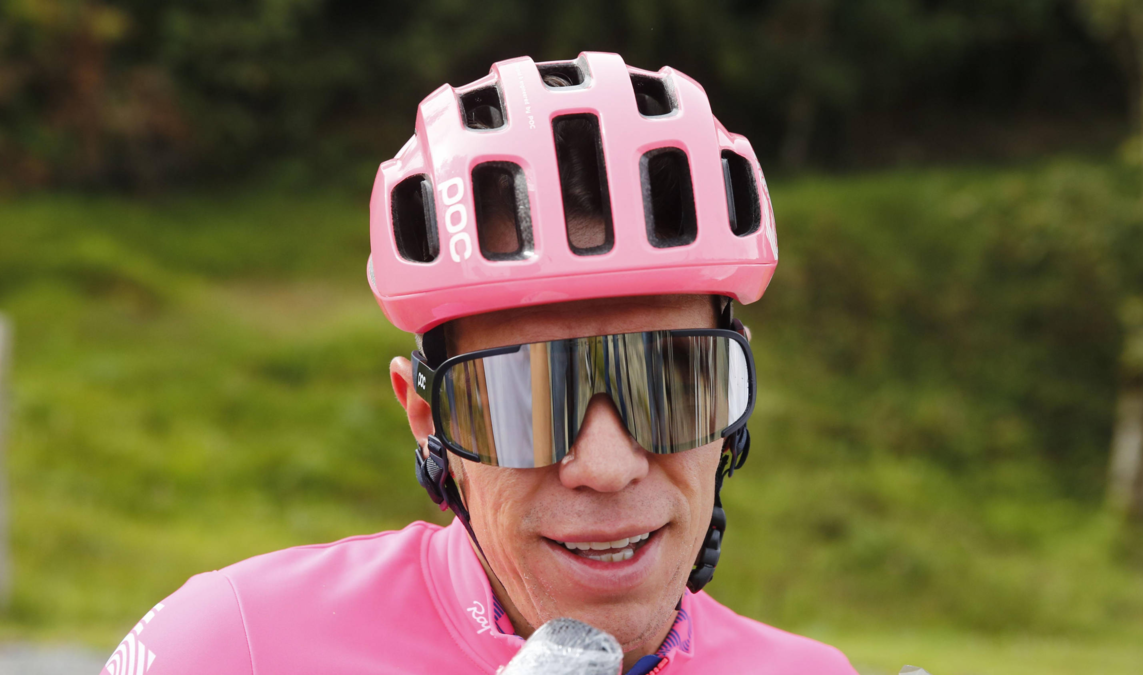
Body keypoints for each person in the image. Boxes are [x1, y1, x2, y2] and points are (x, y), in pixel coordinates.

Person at [100, 52, 857, 675]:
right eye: (528, 396)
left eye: (666, 385)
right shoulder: (234, 647)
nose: (607, 466)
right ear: (424, 417)